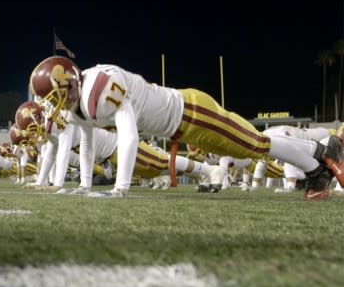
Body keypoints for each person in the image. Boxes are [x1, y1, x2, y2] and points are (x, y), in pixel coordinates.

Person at [29, 55, 344, 200]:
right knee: (253, 143)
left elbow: (129, 135)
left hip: (192, 112)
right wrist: (84, 185)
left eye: (57, 95)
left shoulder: (100, 86)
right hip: (180, 128)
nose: (57, 104)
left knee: (255, 145)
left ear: (71, 80)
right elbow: (86, 142)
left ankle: (319, 157)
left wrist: (120, 188)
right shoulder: (78, 106)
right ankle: (319, 157)